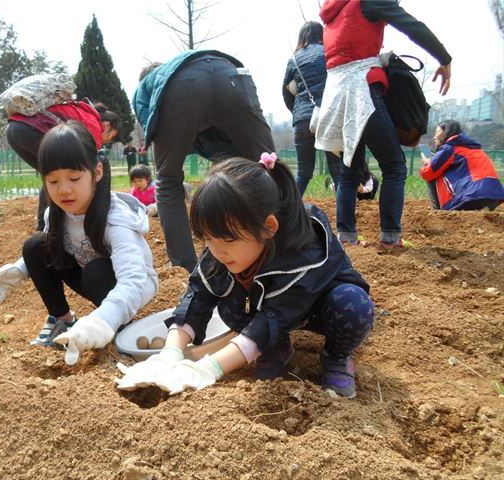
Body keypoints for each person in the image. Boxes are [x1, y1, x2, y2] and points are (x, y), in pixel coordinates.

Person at [116, 155, 374, 399]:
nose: (217, 251)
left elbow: (274, 316)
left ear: (268, 228)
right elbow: (197, 297)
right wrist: (170, 353)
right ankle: (276, 347)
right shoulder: (221, 251)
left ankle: (336, 358)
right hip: (273, 311)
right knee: (228, 303)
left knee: (353, 304)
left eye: (228, 239)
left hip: (320, 308)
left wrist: (208, 368)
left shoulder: (306, 251)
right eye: (208, 239)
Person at [0, 121, 159, 365]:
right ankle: (63, 320)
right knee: (35, 246)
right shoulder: (56, 213)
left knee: (96, 271)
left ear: (98, 172)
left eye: (73, 178)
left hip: (132, 284)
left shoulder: (115, 220)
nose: (64, 190)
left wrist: (103, 319)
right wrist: (19, 270)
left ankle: (118, 327)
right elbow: (50, 251)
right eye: (53, 181)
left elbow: (133, 280)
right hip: (88, 271)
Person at [314, 0, 452, 249]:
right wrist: (444, 58)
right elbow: (411, 26)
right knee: (394, 165)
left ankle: (346, 237)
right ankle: (390, 237)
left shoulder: (333, 11)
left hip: (335, 95)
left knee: (350, 169)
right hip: (361, 90)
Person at [133, 49, 275, 272]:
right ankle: (288, 245)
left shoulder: (148, 87)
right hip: (232, 75)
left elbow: (154, 127)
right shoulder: (188, 63)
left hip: (184, 90)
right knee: (268, 165)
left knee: (167, 180)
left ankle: (185, 267)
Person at [6, 99, 121, 231]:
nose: (108, 141)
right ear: (107, 125)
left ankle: (45, 226)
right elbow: (92, 162)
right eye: (111, 137)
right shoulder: (93, 123)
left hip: (14, 128)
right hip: (29, 130)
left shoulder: (84, 112)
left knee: (53, 176)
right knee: (56, 174)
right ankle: (48, 227)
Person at [282, 21, 341, 196]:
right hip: (328, 116)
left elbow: (285, 91)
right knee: (338, 170)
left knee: (303, 172)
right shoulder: (330, 53)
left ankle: (288, 214)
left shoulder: (293, 59)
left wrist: (297, 113)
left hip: (302, 119)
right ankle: (344, 219)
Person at [420, 120, 504, 211]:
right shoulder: (473, 147)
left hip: (473, 196)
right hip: (494, 194)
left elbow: (428, 172)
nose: (434, 137)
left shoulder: (449, 148)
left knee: (433, 175)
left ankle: (439, 212)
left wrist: (426, 162)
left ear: (445, 133)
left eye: (436, 133)